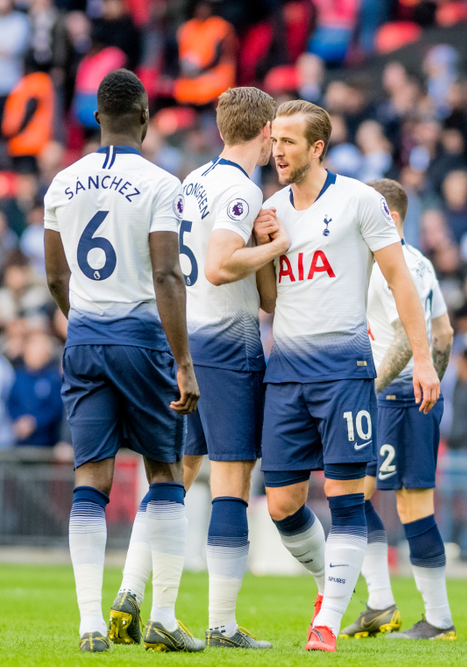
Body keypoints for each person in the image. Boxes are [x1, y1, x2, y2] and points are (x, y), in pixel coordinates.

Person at [108, 87, 286, 650]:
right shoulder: (240, 187)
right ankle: (223, 623)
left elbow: (261, 296)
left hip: (181, 344)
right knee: (232, 479)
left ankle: (130, 593)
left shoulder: (193, 182)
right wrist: (277, 249)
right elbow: (218, 267)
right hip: (227, 350)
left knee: (174, 477)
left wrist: (260, 254)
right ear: (264, 132)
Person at [260, 100, 440, 653]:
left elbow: (400, 281)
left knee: (346, 498)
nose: (277, 151)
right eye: (274, 142)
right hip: (286, 371)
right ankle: (328, 587)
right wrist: (267, 250)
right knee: (281, 504)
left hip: (345, 371)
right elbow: (269, 302)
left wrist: (424, 356)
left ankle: (329, 622)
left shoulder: (361, 200)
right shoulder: (269, 208)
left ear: (317, 148)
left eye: (288, 142)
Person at [42, 69, 202, 653]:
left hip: (83, 336)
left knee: (91, 477)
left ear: (96, 119)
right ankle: (161, 615)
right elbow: (166, 273)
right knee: (163, 472)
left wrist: (81, 318)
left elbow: (56, 274)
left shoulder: (61, 183)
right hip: (141, 339)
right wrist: (183, 361)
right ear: (145, 116)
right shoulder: (162, 183)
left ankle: (89, 625)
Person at [340, 178, 456, 641]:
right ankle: (380, 604)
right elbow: (443, 334)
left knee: (408, 506)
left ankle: (438, 618)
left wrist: (374, 388)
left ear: (384, 213)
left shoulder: (388, 265)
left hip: (394, 399)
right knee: (353, 493)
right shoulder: (420, 262)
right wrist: (434, 387)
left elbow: (413, 340)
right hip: (412, 398)